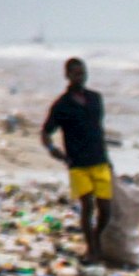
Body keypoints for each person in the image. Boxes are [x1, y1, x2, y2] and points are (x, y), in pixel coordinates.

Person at [40, 57, 112, 262]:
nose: (80, 77)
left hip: (99, 160)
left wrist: (108, 160)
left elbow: (99, 130)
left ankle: (96, 239)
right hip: (78, 164)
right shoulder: (62, 105)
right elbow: (46, 132)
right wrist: (52, 149)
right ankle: (92, 249)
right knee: (87, 207)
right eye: (76, 73)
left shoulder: (96, 99)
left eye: (83, 73)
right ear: (68, 76)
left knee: (106, 210)